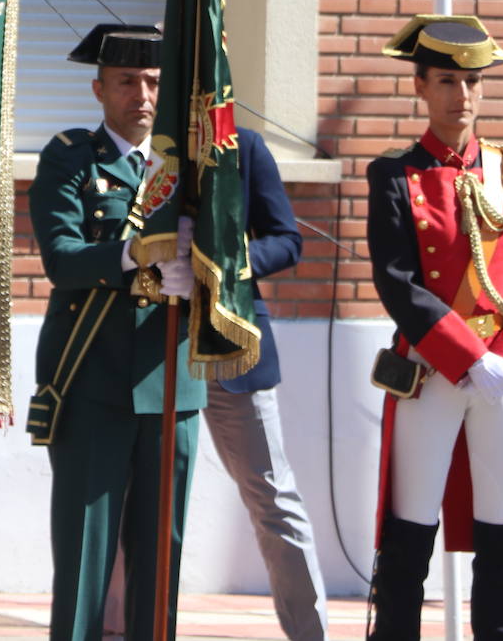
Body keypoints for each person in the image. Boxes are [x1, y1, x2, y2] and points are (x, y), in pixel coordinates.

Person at [365, 15, 503, 640]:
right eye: (446, 80)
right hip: (432, 369)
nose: (461, 95)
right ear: (420, 86)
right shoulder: (394, 175)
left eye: (471, 82)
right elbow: (397, 280)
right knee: (407, 541)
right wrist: (465, 355)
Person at [27, 24, 201, 641]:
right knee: (83, 555)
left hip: (171, 384)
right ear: (100, 89)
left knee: (161, 558)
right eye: (128, 81)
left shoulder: (192, 167)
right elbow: (62, 260)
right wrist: (136, 255)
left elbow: (245, 248)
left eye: (155, 82)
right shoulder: (70, 155)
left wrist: (201, 278)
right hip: (91, 379)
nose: (143, 95)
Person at [203, 126, 328, 641]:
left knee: (272, 496)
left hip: (233, 349)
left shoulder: (243, 146)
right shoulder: (146, 143)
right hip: (151, 351)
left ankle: (310, 634)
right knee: (136, 497)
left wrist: (228, 262)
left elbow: (287, 240)